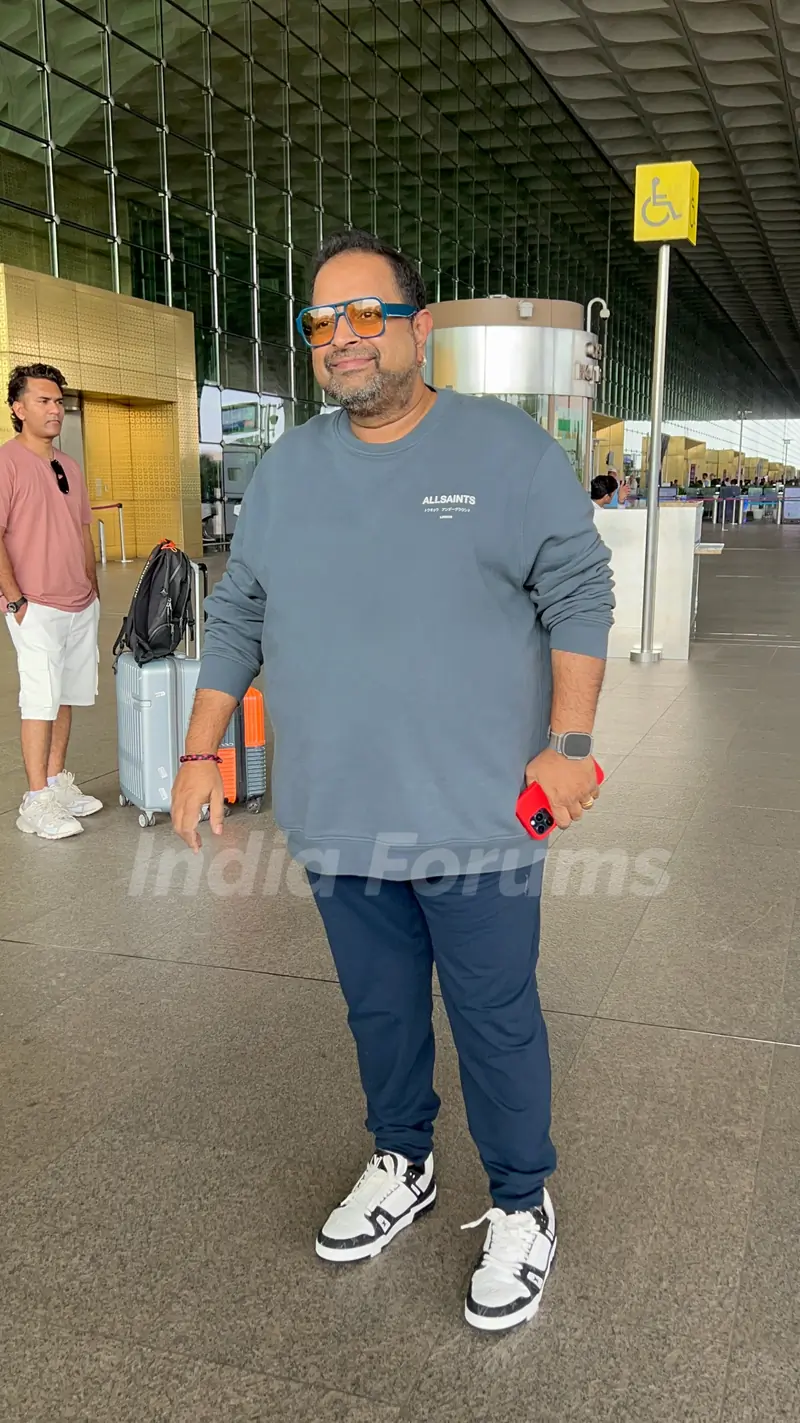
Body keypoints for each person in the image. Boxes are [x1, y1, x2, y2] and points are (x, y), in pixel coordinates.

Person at [172, 229, 614, 1333]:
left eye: (366, 314)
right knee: (379, 1012)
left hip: (474, 816)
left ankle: (519, 1201)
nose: (342, 339)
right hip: (339, 813)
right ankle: (402, 1161)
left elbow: (578, 590)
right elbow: (239, 613)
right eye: (322, 322)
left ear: (420, 329)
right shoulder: (289, 469)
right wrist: (198, 752)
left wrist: (566, 745)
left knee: (494, 1015)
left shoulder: (503, 451)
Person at [0, 364, 103, 839]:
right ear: (18, 409)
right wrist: (15, 599)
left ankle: (58, 783)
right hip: (35, 605)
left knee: (66, 697)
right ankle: (36, 801)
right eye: (44, 400)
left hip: (79, 603)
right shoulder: (6, 463)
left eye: (59, 401)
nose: (55, 409)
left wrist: (92, 584)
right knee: (39, 700)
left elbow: (82, 529)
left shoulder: (69, 464)